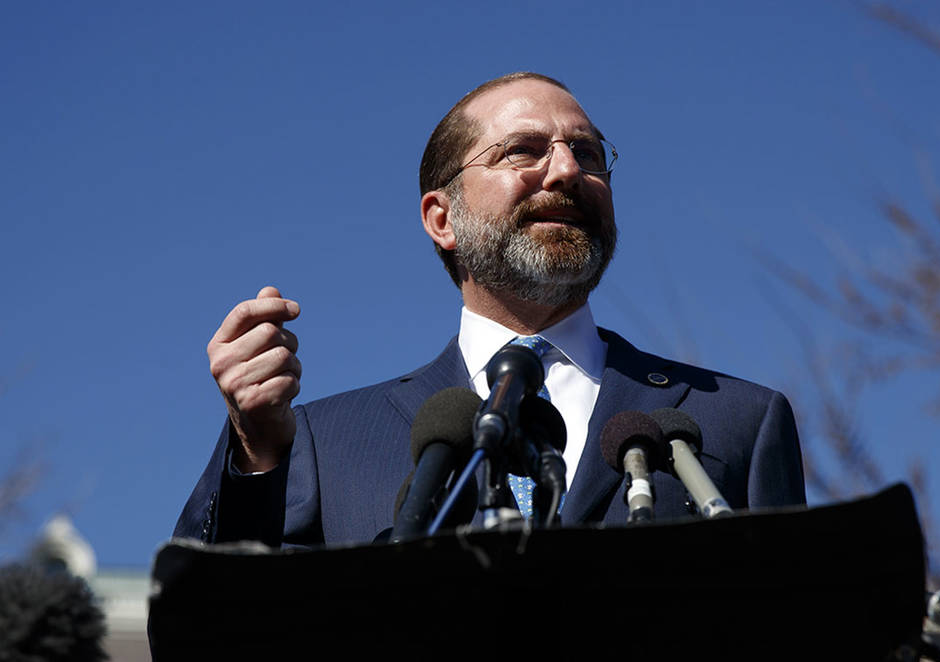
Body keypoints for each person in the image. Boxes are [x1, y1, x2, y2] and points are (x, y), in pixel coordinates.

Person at [173, 72, 806, 547]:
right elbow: (209, 658)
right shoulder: (323, 444)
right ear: (442, 219)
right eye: (523, 151)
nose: (566, 170)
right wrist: (257, 456)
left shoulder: (735, 422)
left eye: (588, 154)